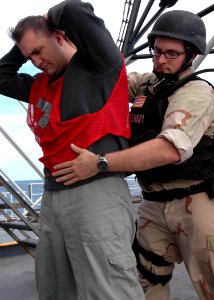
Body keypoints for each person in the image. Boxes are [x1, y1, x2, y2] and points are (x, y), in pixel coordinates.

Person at [52, 10, 214, 299]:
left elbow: (169, 149)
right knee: (144, 282)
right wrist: (69, 42)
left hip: (194, 201)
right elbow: (107, 75)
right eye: (157, 51)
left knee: (209, 280)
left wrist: (100, 164)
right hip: (152, 201)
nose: (161, 60)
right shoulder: (149, 85)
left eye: (171, 54)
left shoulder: (197, 91)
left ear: (190, 56)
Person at [0, 1, 146, 299]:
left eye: (38, 51)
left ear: (60, 36)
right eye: (30, 57)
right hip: (53, 198)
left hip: (96, 194)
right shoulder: (39, 86)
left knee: (108, 290)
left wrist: (47, 17)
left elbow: (76, 10)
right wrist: (24, 42)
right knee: (55, 288)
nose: (36, 62)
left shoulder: (99, 69)